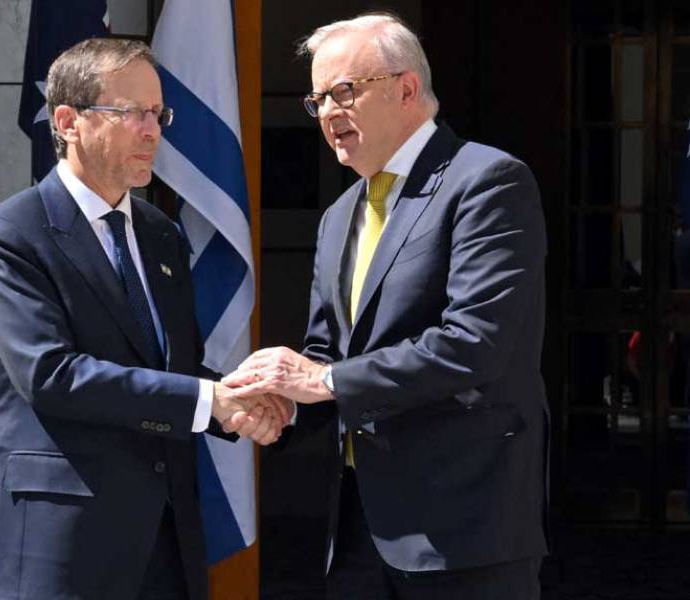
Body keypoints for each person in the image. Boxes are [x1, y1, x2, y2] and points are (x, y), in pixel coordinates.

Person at [224, 12, 549, 599]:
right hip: (357, 530)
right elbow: (328, 355)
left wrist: (321, 379)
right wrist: (283, 406)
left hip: (464, 524)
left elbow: (475, 343)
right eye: (317, 99)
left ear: (406, 89)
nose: (327, 113)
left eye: (344, 91)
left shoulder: (488, 181)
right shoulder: (339, 214)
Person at [0, 38, 287, 600]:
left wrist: (238, 398)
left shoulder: (160, 233)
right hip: (60, 548)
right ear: (68, 121)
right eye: (131, 113)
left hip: (165, 544)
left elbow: (166, 362)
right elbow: (52, 375)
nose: (152, 131)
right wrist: (208, 401)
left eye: (158, 114)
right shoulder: (12, 234)